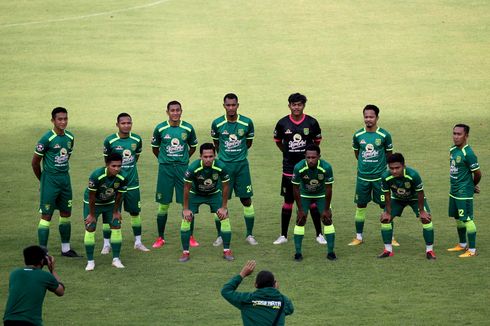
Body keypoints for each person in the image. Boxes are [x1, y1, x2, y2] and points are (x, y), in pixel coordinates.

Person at [273, 93, 325, 245]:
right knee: (288, 201)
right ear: (289, 105)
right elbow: (278, 142)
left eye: (299, 104)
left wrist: (308, 158)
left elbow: (317, 142)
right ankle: (283, 235)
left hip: (308, 168)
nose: (296, 107)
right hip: (289, 168)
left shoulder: (312, 122)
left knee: (313, 201)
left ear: (304, 105)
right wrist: (287, 153)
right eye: (293, 104)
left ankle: (319, 234)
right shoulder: (282, 123)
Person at [31, 107, 80, 257]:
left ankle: (66, 249)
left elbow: (66, 157)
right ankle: (43, 251)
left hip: (65, 179)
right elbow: (35, 163)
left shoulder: (70, 137)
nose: (63, 122)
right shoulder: (46, 139)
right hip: (50, 179)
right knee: (47, 215)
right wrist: (43, 180)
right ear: (53, 120)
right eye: (60, 119)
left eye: (65, 119)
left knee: (66, 213)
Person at [211, 93, 258, 246]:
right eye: (228, 105)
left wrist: (237, 155)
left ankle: (249, 235)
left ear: (238, 105)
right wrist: (225, 157)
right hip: (224, 167)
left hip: (242, 166)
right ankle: (220, 235)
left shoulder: (247, 123)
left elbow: (248, 143)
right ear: (223, 106)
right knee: (221, 201)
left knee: (246, 199)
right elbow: (216, 144)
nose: (231, 108)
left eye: (233, 105)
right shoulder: (217, 123)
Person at [151, 101, 198, 248]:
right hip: (165, 169)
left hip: (183, 169)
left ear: (181, 111)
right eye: (172, 110)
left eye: (178, 110)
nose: (175, 113)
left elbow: (193, 147)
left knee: (186, 203)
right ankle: (160, 237)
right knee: (163, 204)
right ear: (167, 112)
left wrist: (183, 159)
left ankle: (190, 236)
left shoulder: (188, 128)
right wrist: (164, 160)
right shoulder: (160, 128)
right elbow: (155, 148)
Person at [102, 113, 149, 253]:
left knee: (135, 212)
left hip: (132, 183)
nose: (126, 125)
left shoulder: (136, 139)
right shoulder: (110, 141)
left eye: (129, 123)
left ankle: (138, 242)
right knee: (111, 213)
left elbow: (136, 157)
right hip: (115, 185)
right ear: (117, 124)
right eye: (123, 123)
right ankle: (106, 244)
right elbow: (107, 163)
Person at [179, 143, 233, 262]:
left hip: (213, 194)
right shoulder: (192, 168)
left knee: (225, 217)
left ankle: (227, 250)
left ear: (215, 156)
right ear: (200, 157)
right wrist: (186, 208)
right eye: (205, 157)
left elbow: (225, 187)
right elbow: (186, 188)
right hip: (195, 194)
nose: (208, 159)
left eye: (211, 156)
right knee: (186, 219)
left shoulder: (221, 167)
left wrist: (224, 207)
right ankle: (185, 252)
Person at [348, 104, 394, 246]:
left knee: (386, 207)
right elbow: (358, 154)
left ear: (377, 118)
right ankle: (359, 237)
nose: (368, 119)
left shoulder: (384, 135)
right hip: (362, 178)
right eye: (366, 117)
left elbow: (389, 155)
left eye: (371, 117)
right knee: (361, 206)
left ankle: (391, 238)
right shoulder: (358, 135)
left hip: (380, 178)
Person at [378, 153, 436, 259]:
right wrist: (387, 212)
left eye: (397, 168)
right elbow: (387, 194)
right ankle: (388, 250)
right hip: (397, 199)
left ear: (403, 166)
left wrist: (422, 211)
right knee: (385, 219)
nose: (394, 171)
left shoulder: (413, 175)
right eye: (391, 168)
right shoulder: (385, 177)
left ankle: (430, 251)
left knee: (426, 219)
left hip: (415, 198)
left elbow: (420, 193)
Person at [291, 144, 337, 261]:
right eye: (308, 157)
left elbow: (329, 189)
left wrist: (326, 209)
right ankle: (298, 253)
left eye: (313, 157)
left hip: (321, 194)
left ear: (319, 157)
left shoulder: (326, 167)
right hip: (304, 194)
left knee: (327, 220)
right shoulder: (298, 167)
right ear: (305, 157)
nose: (311, 160)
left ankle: (331, 252)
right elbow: (295, 189)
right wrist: (301, 210)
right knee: (300, 220)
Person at [83, 153, 128, 271]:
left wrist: (116, 211)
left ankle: (116, 259)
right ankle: (90, 262)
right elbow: (91, 197)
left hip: (110, 203)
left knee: (116, 225)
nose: (117, 169)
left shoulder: (123, 177)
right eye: (114, 166)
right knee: (90, 227)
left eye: (119, 166)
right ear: (107, 165)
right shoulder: (96, 175)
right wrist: (92, 215)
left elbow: (119, 196)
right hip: (93, 203)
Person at [3, 245, 65, 326]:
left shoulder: (15, 273)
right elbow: (61, 291)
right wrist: (52, 270)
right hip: (30, 321)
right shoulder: (44, 276)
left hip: (9, 320)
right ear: (42, 261)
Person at [221, 260, 294, 326]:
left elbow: (226, 291)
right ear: (274, 284)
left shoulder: (247, 299)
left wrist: (242, 274)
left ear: (255, 284)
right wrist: (275, 292)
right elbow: (290, 310)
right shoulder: (284, 301)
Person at [447, 124, 481, 258]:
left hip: (463, 192)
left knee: (467, 219)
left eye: (459, 134)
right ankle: (462, 244)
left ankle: (472, 250)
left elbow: (477, 173)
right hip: (453, 190)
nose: (456, 137)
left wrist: (472, 185)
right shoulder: (452, 149)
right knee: (458, 218)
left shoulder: (469, 153)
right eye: (454, 133)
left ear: (466, 136)